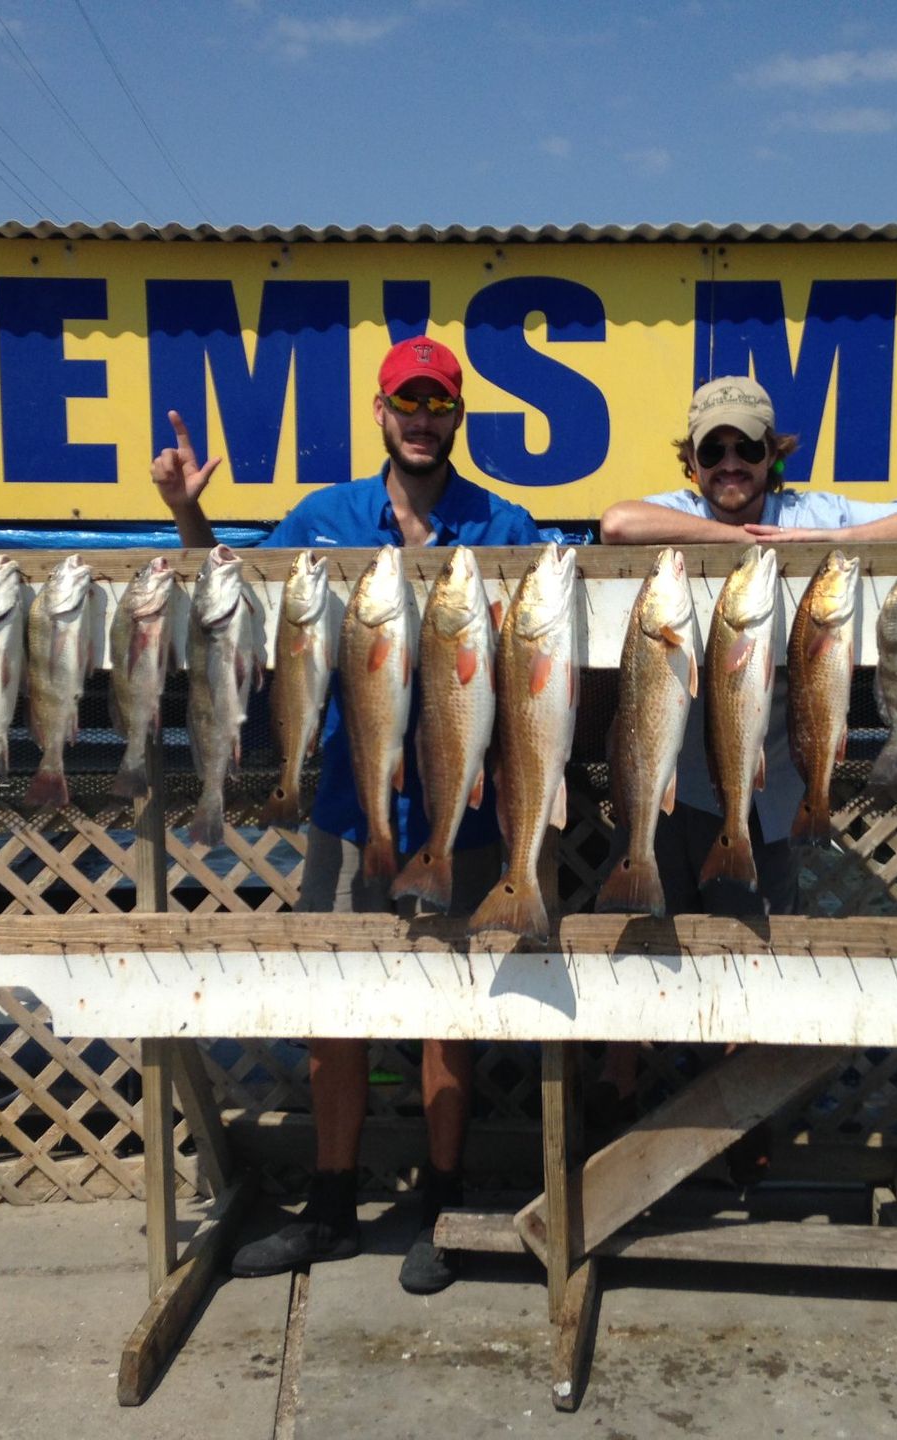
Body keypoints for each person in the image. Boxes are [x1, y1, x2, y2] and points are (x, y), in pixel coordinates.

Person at [152, 336, 542, 1295]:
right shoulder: (322, 520)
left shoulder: (505, 523)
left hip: (462, 808)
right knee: (337, 1009)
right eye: (405, 403)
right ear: (379, 412)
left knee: (452, 1016)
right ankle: (330, 1208)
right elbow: (227, 601)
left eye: (438, 404)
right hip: (346, 807)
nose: (421, 418)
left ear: (457, 417)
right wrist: (190, 515)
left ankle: (439, 1209)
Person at [592, 375, 897, 1160]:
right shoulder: (680, 518)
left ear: (775, 456)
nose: (732, 465)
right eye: (716, 452)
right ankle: (615, 1100)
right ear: (694, 464)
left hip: (765, 796)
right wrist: (732, 547)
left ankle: (738, 1125)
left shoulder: (818, 515)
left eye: (748, 449)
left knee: (747, 960)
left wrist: (837, 549)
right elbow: (615, 522)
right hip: (670, 784)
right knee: (637, 944)